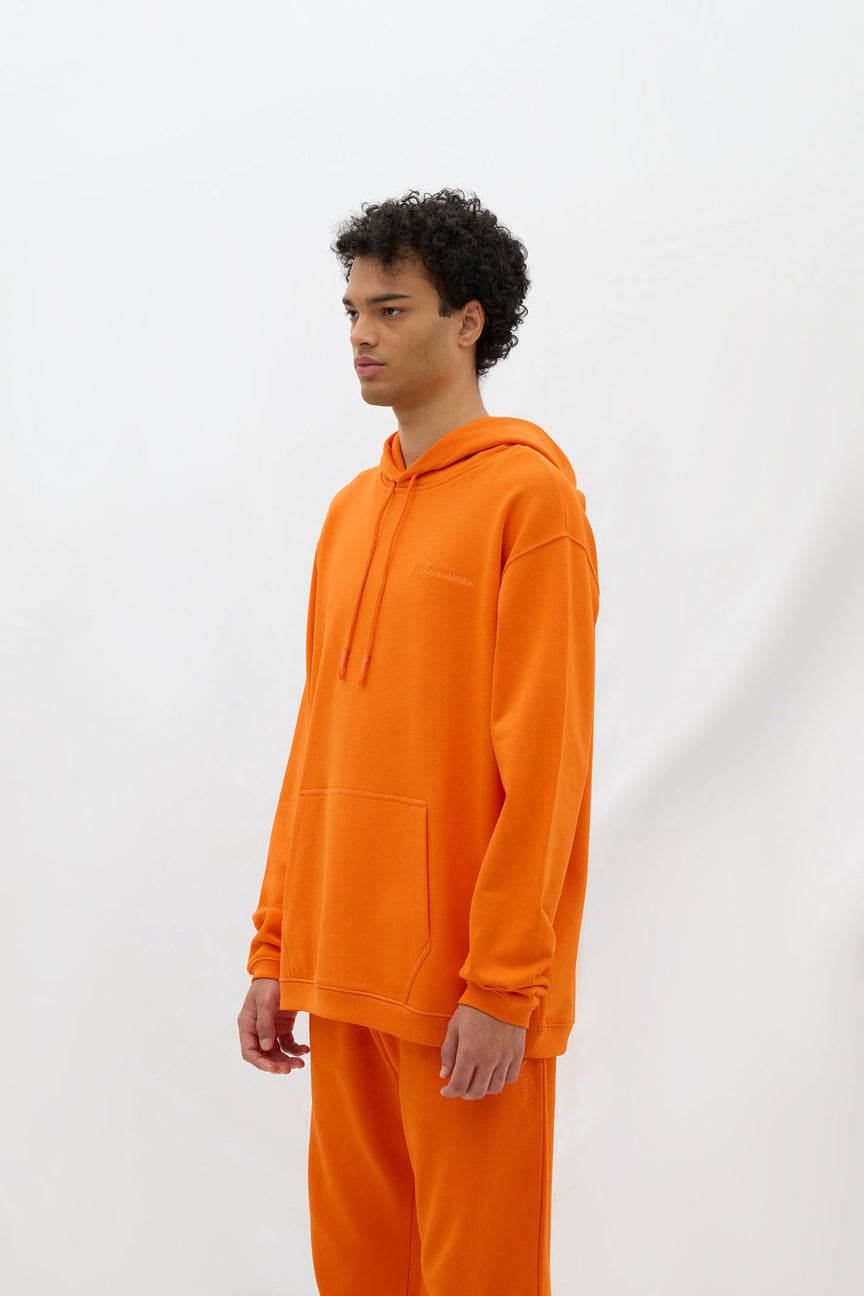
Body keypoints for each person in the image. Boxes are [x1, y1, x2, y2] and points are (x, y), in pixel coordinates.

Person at [237, 188, 600, 1295]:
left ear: (467, 322)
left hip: (461, 993)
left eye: (390, 309)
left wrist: (503, 987)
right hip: (340, 969)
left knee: (479, 1278)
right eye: (352, 310)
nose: (361, 334)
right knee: (356, 1277)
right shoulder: (349, 513)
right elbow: (318, 742)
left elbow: (548, 767)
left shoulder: (531, 502)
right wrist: (274, 949)